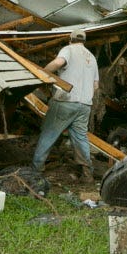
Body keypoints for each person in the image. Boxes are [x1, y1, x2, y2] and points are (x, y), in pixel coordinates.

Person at [32, 29, 100, 183]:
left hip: (65, 101)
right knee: (80, 139)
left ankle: (36, 170)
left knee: (49, 133)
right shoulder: (91, 57)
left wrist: (41, 73)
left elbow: (58, 63)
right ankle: (87, 174)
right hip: (84, 105)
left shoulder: (68, 49)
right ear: (84, 41)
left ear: (70, 39)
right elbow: (96, 85)